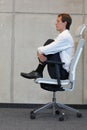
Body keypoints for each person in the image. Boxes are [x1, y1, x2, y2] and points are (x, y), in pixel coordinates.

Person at [21, 13, 74, 80]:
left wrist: (39, 51)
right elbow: (48, 49)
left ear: (65, 23)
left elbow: (47, 49)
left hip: (61, 73)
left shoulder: (65, 37)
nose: (56, 23)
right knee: (50, 43)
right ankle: (38, 71)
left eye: (58, 21)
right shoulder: (64, 36)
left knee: (50, 42)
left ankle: (38, 71)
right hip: (60, 70)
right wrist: (41, 53)